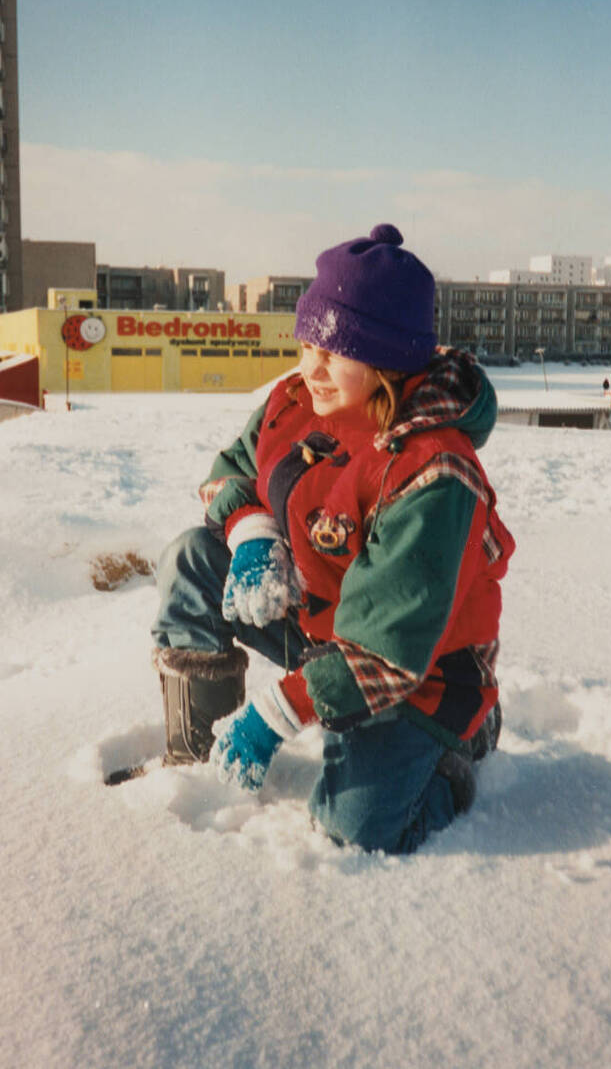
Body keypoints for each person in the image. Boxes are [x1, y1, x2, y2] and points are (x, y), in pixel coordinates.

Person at [152, 224, 515, 853]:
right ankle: (201, 758)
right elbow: (230, 471)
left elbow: (388, 650)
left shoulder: (434, 472)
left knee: (356, 826)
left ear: (386, 361)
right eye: (306, 345)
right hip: (324, 626)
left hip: (417, 673)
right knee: (192, 558)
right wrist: (253, 534)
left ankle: (454, 757)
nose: (309, 369)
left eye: (332, 352)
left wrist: (278, 713)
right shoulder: (296, 401)